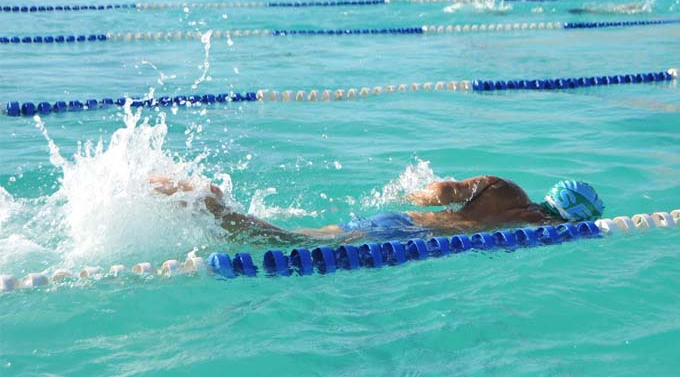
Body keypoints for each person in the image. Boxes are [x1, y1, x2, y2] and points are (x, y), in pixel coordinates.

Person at [150, 175, 604, 245]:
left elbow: (445, 189)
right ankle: (212, 205)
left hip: (407, 222)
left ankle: (211, 205)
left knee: (302, 237)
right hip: (403, 236)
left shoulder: (506, 190)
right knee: (290, 242)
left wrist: (416, 193)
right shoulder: (538, 230)